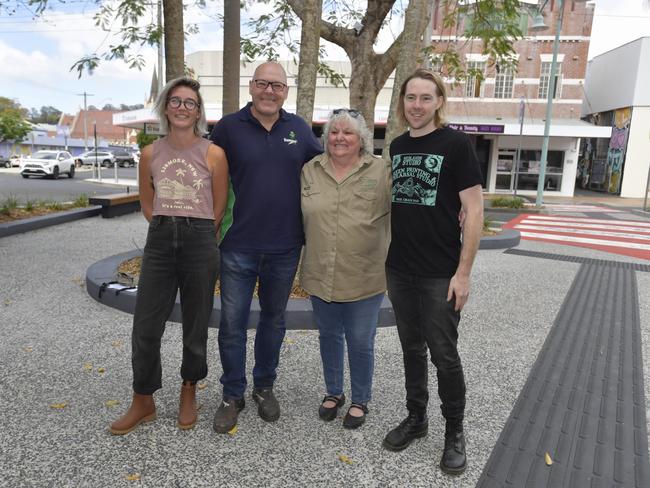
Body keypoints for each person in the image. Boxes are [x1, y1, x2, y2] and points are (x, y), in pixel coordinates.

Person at [109, 77, 229, 435]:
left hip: (200, 240)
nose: (182, 108)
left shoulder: (213, 154)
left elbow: (219, 206)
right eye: (175, 101)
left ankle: (189, 389)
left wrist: (199, 230)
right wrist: (166, 225)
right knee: (146, 326)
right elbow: (148, 204)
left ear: (198, 113)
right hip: (160, 239)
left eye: (189, 103)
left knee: (196, 325)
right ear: (165, 108)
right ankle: (143, 398)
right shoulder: (150, 153)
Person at [209, 61, 322, 434]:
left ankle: (264, 387)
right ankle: (232, 394)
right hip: (237, 245)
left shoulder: (299, 129)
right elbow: (206, 174)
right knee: (232, 323)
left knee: (274, 321)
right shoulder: (227, 128)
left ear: (285, 91)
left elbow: (326, 170)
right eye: (262, 83)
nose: (269, 91)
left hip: (284, 246)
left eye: (277, 85)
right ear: (251, 86)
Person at [382, 69, 483, 475]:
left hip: (441, 271)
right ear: (402, 102)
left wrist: (463, 273)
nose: (417, 105)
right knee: (410, 349)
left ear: (439, 101)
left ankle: (454, 431)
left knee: (444, 354)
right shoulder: (397, 145)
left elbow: (474, 211)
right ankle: (417, 418)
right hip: (399, 268)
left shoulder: (456, 144)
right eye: (411, 98)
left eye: (426, 98)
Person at [300, 109, 390, 429]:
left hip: (364, 274)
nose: (339, 138)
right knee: (328, 336)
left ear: (361, 139)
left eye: (347, 133)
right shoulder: (310, 170)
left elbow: (409, 211)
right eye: (334, 132)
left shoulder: (381, 171)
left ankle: (360, 398)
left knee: (361, 340)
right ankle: (334, 392)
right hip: (320, 272)